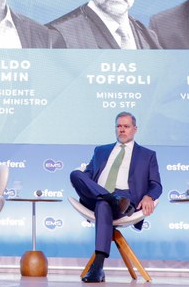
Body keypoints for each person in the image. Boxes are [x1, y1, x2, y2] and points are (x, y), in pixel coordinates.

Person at [69, 112, 161, 283]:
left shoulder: (147, 155)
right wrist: (100, 191)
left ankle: (98, 266)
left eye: (126, 126)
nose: (122, 130)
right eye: (119, 126)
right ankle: (111, 198)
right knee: (75, 174)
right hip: (97, 195)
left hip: (125, 199)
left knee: (103, 205)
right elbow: (87, 174)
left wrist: (149, 196)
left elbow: (156, 184)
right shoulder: (100, 150)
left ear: (135, 129)